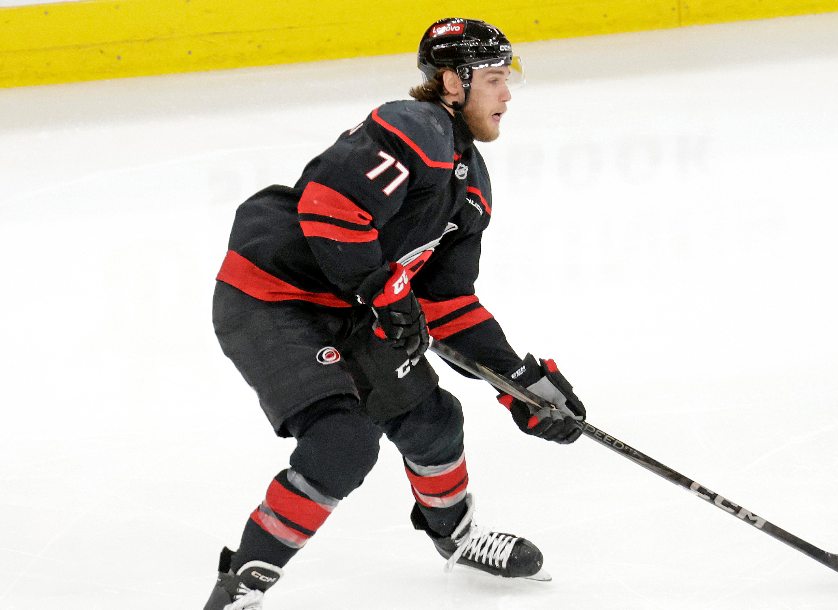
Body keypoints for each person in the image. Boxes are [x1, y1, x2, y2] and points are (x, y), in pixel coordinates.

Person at [202, 17, 587, 610]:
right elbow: (330, 210)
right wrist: (386, 293)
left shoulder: (470, 188)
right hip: (274, 297)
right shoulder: (413, 128)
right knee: (343, 442)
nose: (507, 94)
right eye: (493, 79)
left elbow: (447, 302)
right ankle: (242, 586)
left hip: (354, 303)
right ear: (453, 83)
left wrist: (519, 382)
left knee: (432, 420)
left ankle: (456, 537)